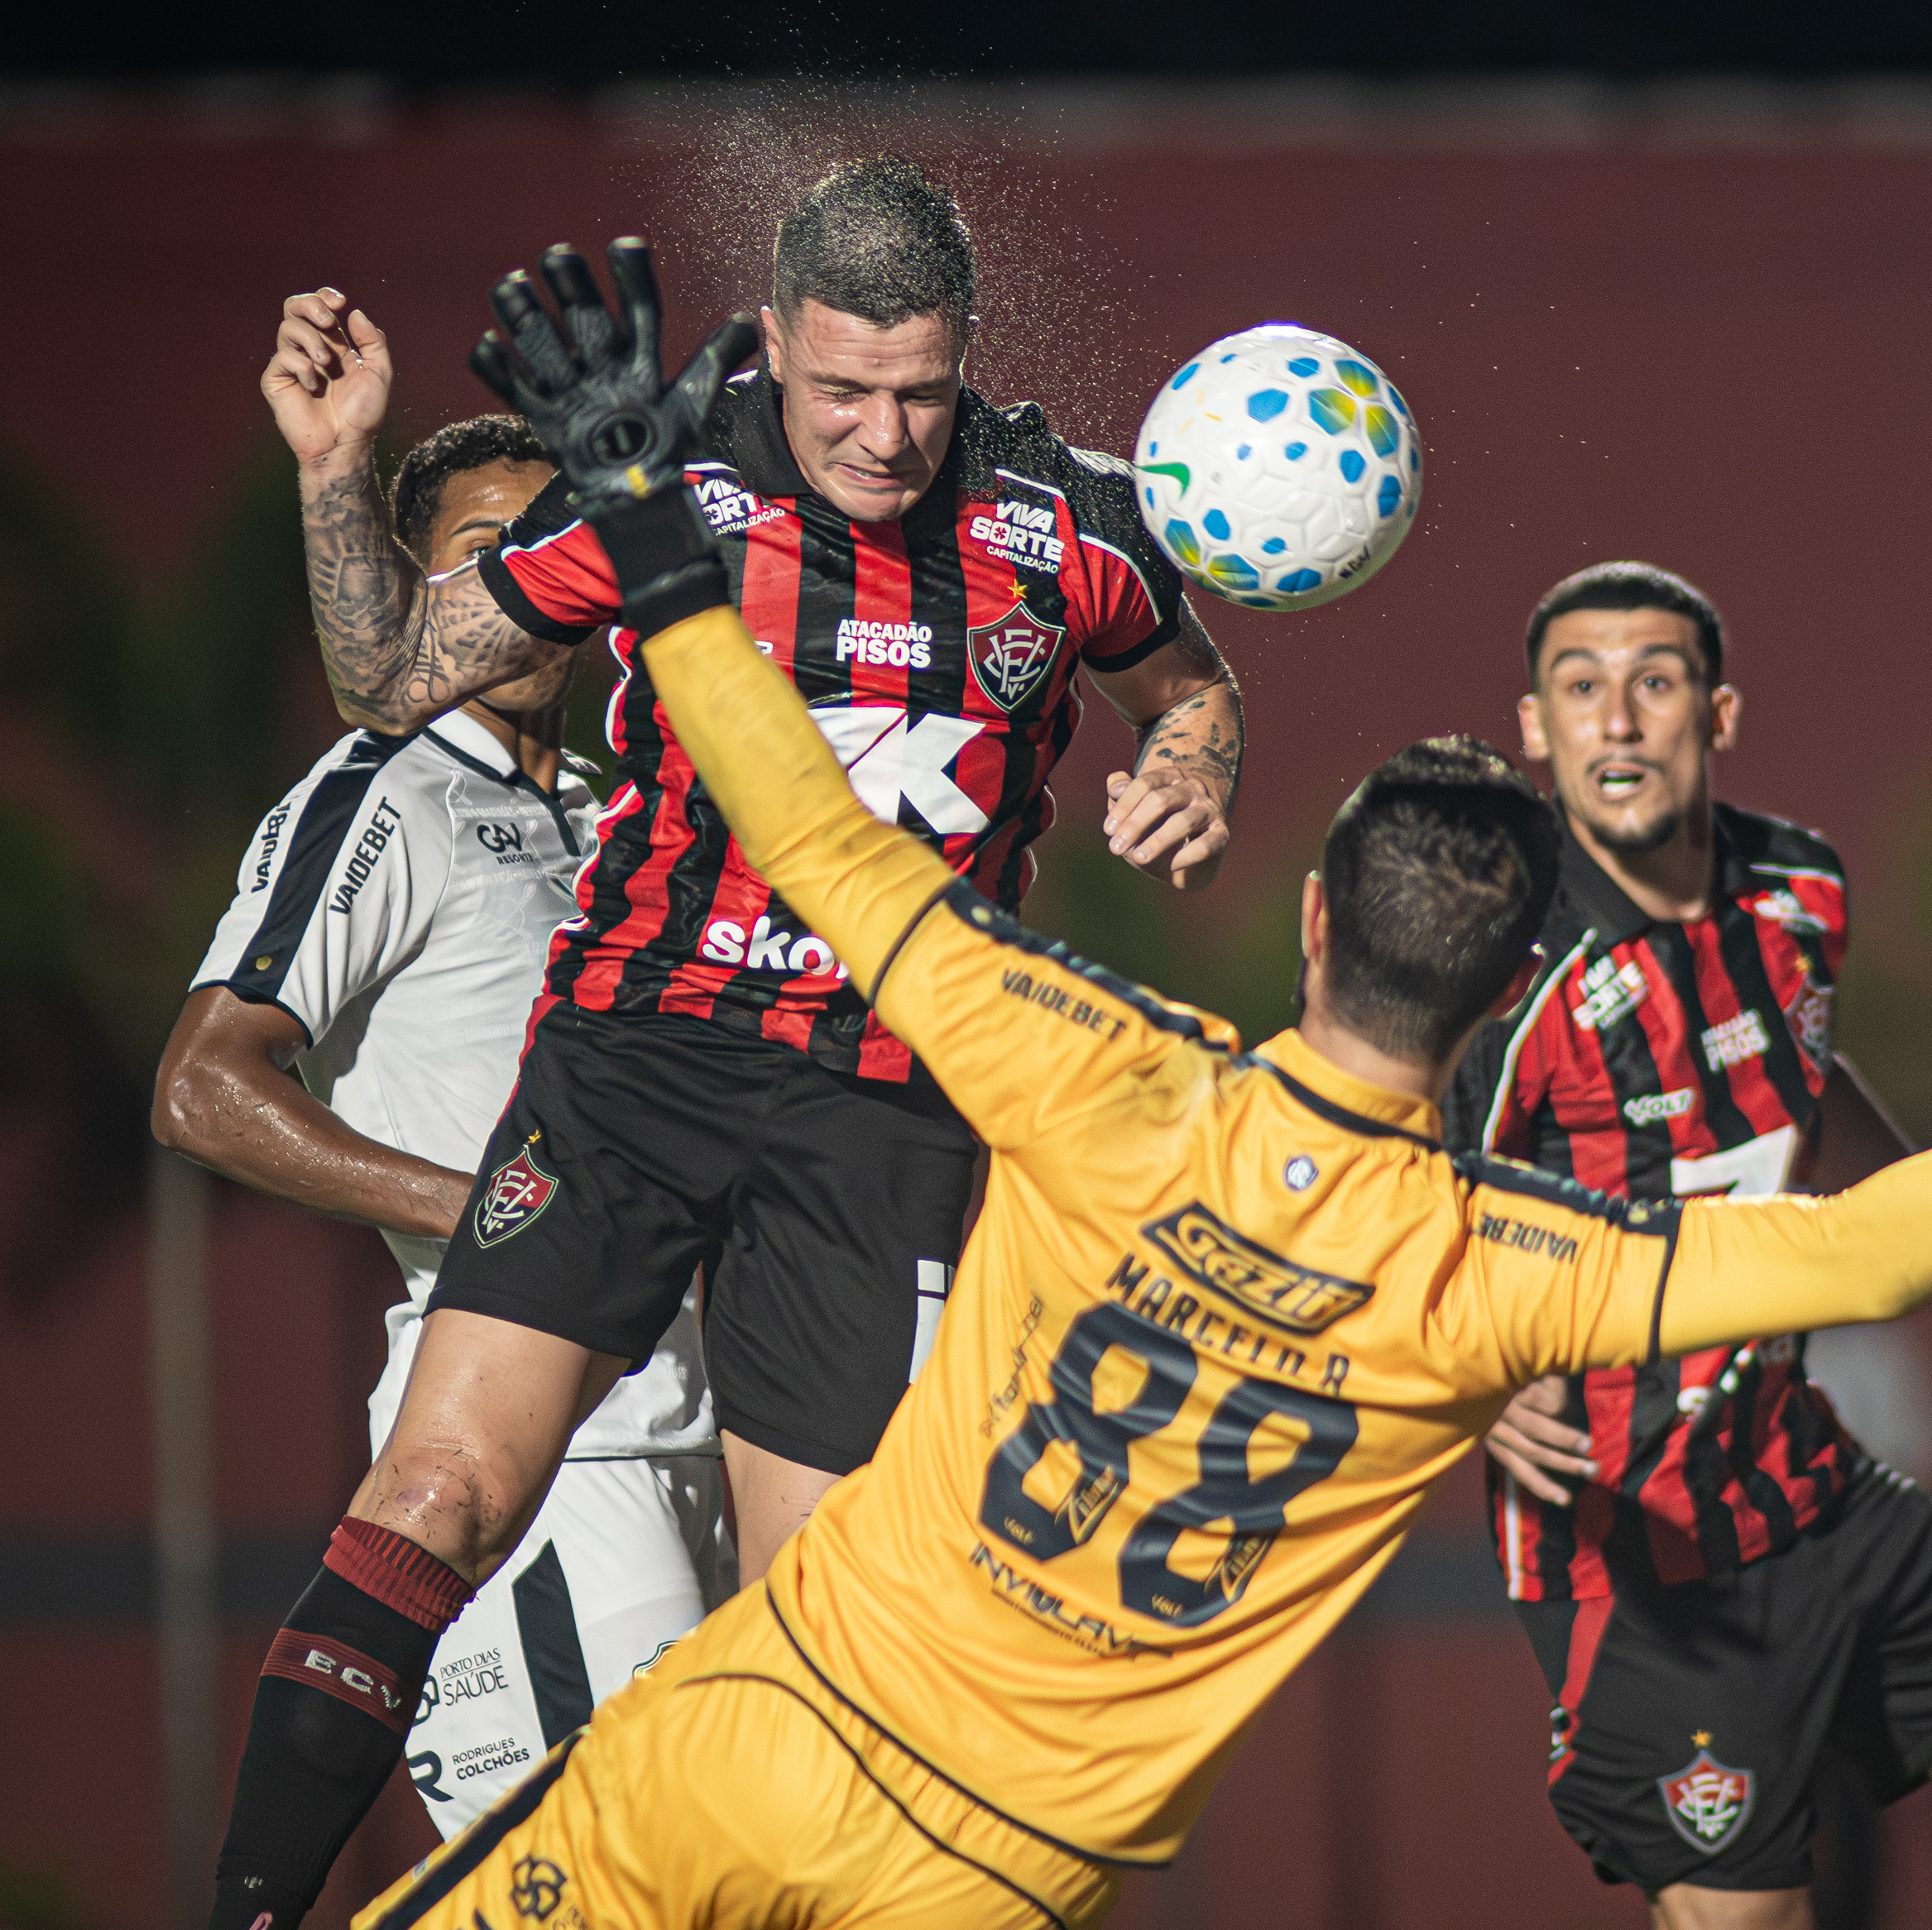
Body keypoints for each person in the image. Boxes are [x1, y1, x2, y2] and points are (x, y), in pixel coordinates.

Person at [346, 247, 1932, 1928]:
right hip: (994, 1875)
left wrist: (643, 524)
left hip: (769, 1724)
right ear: (1499, 1008)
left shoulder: (1090, 1073)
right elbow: (1853, 1250)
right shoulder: (1496, 1269)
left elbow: (811, 828)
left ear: (1311, 924)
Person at [236, 161, 1243, 1925]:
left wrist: (1192, 765)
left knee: (817, 1629)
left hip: (889, 1113)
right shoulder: (660, 472)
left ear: (968, 358)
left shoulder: (1061, 523)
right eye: (842, 389)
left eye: (921, 392)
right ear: (774, 339)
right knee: (440, 1487)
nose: (880, 434)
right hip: (637, 1061)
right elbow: (391, 682)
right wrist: (334, 470)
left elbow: (1191, 681)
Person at [1451, 562, 1932, 1930]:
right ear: (1534, 729)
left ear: (1718, 712)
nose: (1619, 719)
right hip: (1637, 1552)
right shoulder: (1501, 970)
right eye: (1581, 688)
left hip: (1811, 1482)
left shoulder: (1798, 892)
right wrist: (1475, 1384)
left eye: (1656, 681)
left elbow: (1806, 1088)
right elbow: (1384, 1203)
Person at [151, 417, 731, 1926]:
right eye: (486, 553)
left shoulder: (630, 816)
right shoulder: (384, 788)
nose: (527, 578)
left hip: (703, 1449)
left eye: (555, 543)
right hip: (533, 1478)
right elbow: (205, 1088)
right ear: (417, 589)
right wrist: (495, 1217)